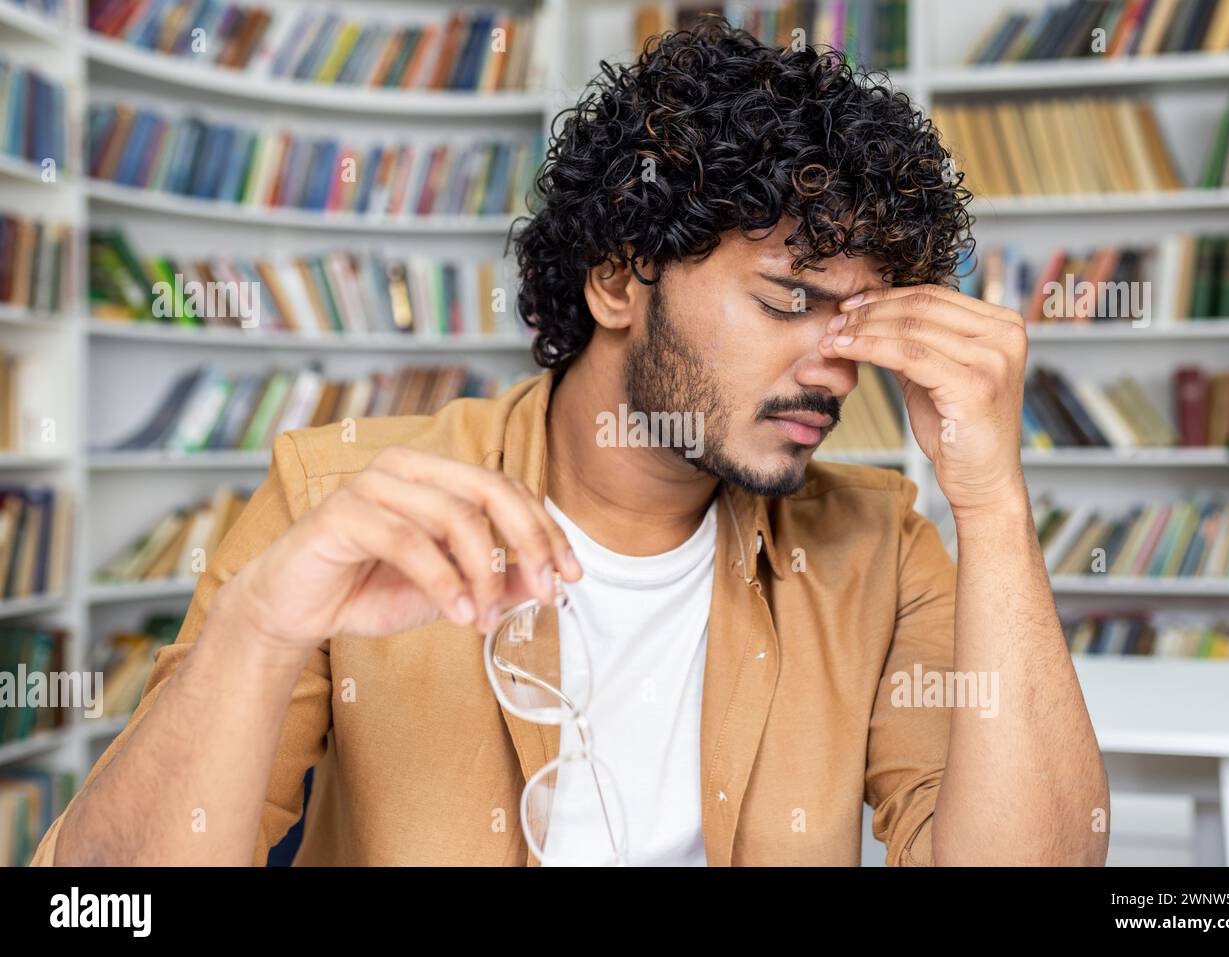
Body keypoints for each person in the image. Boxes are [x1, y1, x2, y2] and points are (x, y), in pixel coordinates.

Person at [34, 16, 1107, 867]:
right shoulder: (342, 503)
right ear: (614, 280)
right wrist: (260, 631)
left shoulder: (881, 545)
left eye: (864, 319)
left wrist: (994, 500)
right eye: (790, 298)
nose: (839, 364)